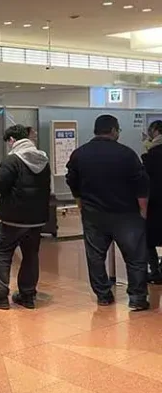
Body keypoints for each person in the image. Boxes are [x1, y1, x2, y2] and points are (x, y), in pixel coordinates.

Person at [66, 114, 150, 311]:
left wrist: (80, 201)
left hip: (94, 214)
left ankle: (103, 295)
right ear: (113, 130)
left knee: (95, 257)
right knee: (135, 258)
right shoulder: (126, 154)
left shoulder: (80, 154)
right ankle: (137, 298)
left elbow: (72, 180)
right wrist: (143, 210)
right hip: (126, 215)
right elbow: (141, 183)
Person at [0, 124, 51, 310]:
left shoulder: (12, 160)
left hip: (14, 216)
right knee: (30, 255)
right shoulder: (43, 159)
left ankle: (0, 296)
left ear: (12, 140)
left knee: (1, 252)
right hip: (37, 218)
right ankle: (27, 295)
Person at [141, 120, 162, 284]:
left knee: (149, 239)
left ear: (155, 132)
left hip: (154, 204)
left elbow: (143, 181)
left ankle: (155, 271)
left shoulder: (150, 156)